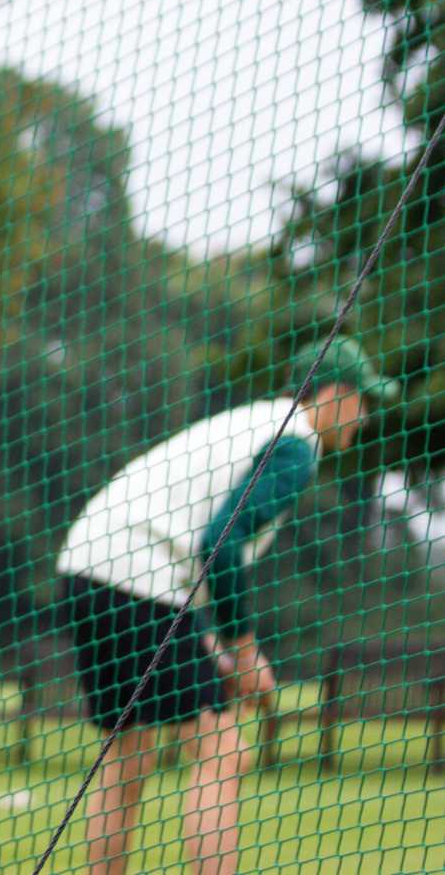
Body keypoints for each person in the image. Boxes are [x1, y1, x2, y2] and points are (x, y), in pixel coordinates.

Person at [55, 335, 398, 875]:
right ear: (334, 394)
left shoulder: (254, 421)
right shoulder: (297, 444)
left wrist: (207, 640)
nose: (366, 416)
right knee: (222, 752)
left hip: (85, 571)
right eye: (363, 400)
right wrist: (244, 650)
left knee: (127, 760)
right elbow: (220, 541)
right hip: (139, 580)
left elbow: (189, 540)